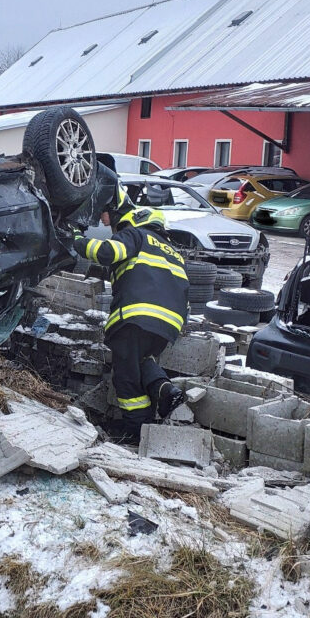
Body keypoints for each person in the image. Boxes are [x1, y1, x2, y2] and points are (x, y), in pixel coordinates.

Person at [73, 189, 189, 441]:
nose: (115, 227)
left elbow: (107, 253)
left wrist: (74, 239)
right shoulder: (173, 252)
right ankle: (165, 390)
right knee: (141, 361)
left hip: (136, 317)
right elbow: (149, 278)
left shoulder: (136, 235)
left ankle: (135, 429)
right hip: (168, 326)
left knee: (125, 377)